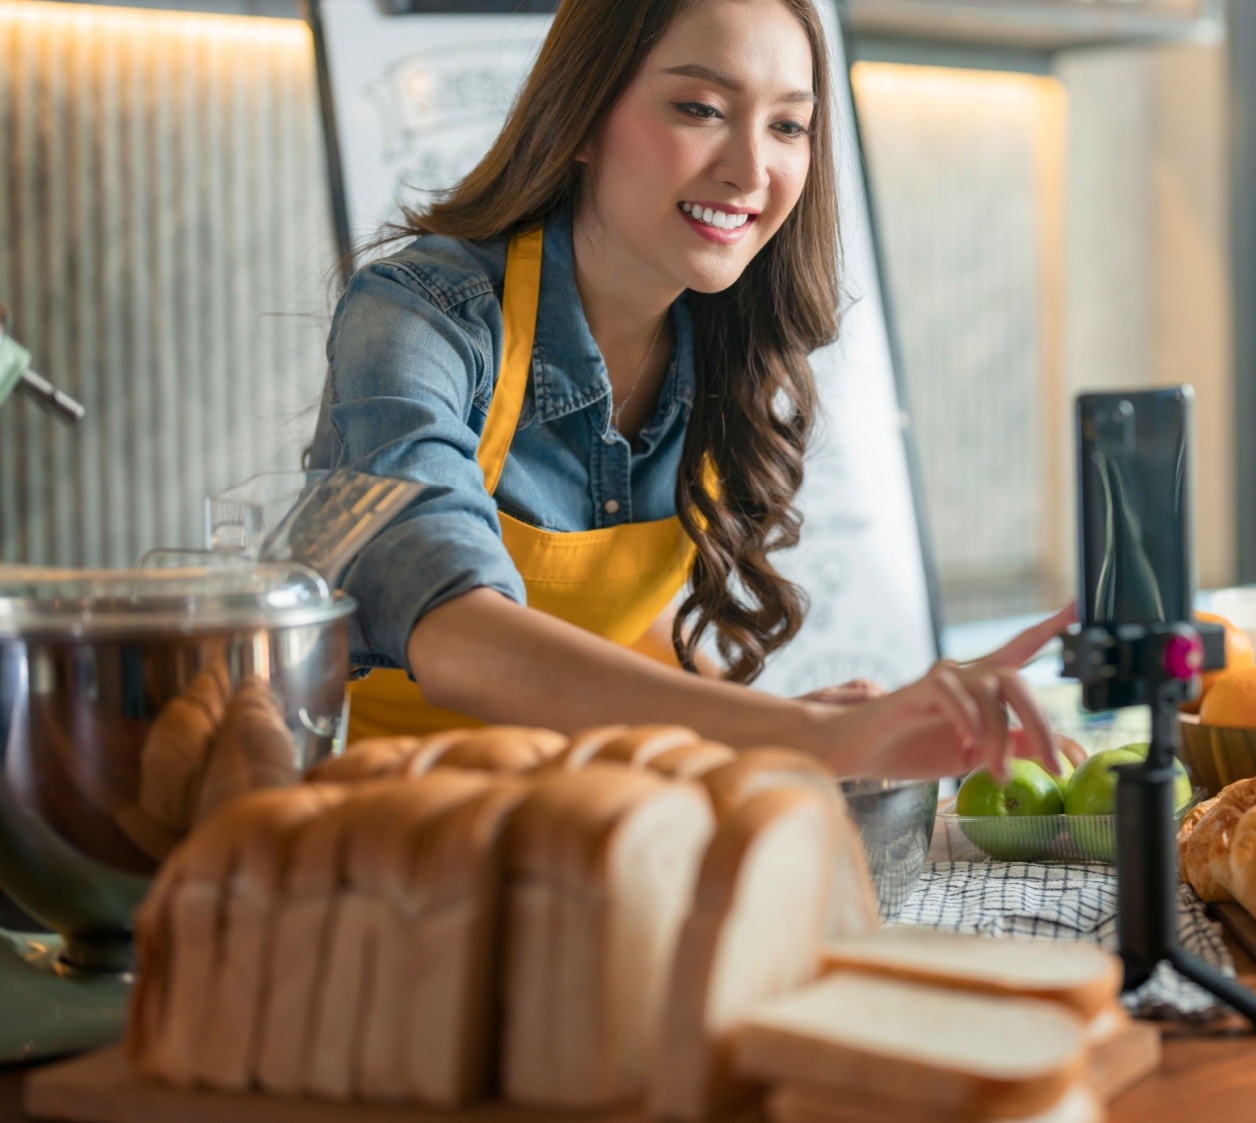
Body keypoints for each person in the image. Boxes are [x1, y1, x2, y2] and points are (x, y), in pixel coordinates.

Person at [309, 0, 1075, 779]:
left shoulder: (722, 343)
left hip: (595, 827)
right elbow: (453, 632)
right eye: (701, 108)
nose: (750, 169)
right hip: (390, 841)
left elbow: (621, 629)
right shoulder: (416, 318)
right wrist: (799, 735)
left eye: (787, 126)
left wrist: (818, 725)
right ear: (579, 117)